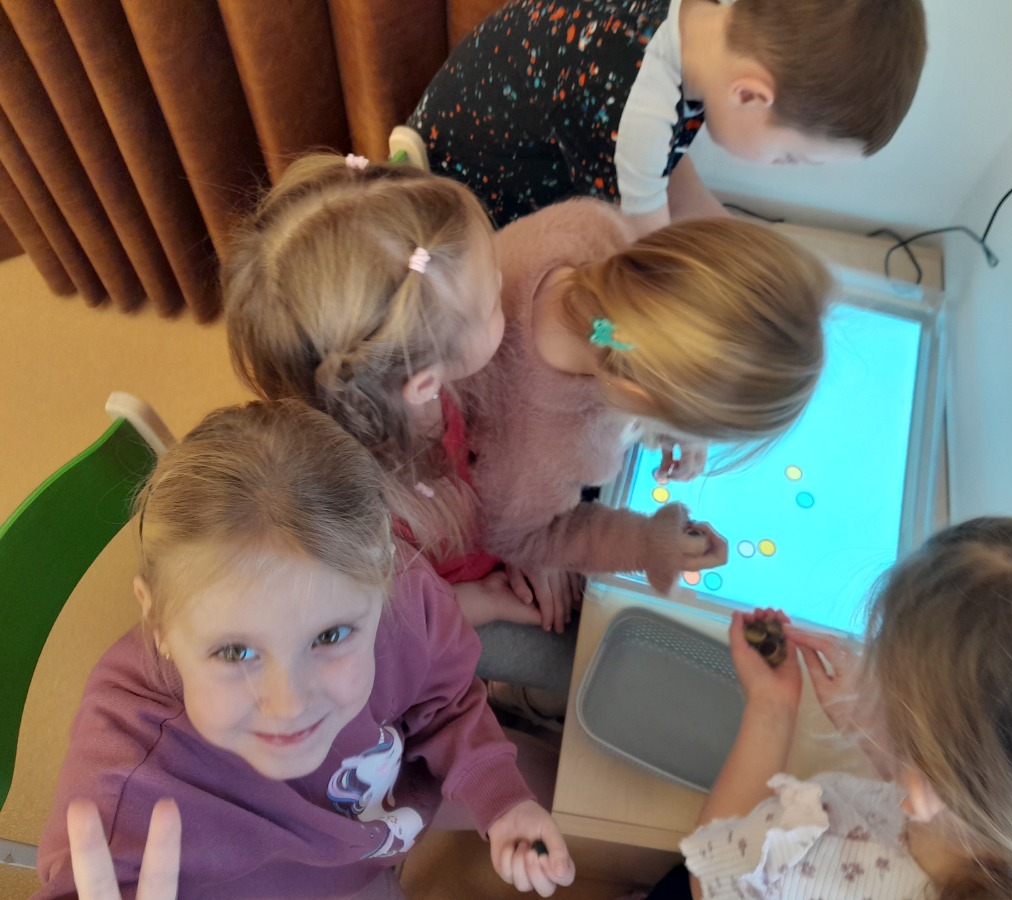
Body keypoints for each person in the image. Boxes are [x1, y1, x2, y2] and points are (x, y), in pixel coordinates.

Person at [35, 401, 575, 899]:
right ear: (156, 620)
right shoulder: (128, 785)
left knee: (575, 795)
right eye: (235, 653)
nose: (289, 705)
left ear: (385, 572)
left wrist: (500, 795)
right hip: (310, 884)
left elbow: (446, 700)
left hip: (391, 811)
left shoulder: (403, 595)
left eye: (330, 637)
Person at [649, 517, 1012, 899]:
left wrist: (772, 706)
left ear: (925, 789)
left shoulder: (808, 864)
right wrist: (889, 741)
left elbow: (715, 868)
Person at [224, 151, 571, 632]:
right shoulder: (358, 518)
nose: (501, 281)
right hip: (447, 611)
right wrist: (482, 600)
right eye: (491, 301)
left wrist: (530, 539)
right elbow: (389, 620)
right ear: (424, 383)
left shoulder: (410, 379)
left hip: (499, 542)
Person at [460, 197, 829, 594]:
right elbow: (516, 538)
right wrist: (646, 543)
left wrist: (680, 409)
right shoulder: (543, 451)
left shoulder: (594, 227)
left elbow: (632, 337)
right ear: (640, 395)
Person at [392, 0, 926, 234]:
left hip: (489, 113)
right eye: (790, 157)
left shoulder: (700, 25)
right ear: (749, 94)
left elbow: (660, 169)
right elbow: (647, 253)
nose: (782, 167)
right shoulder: (631, 111)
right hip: (465, 189)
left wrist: (725, 231)